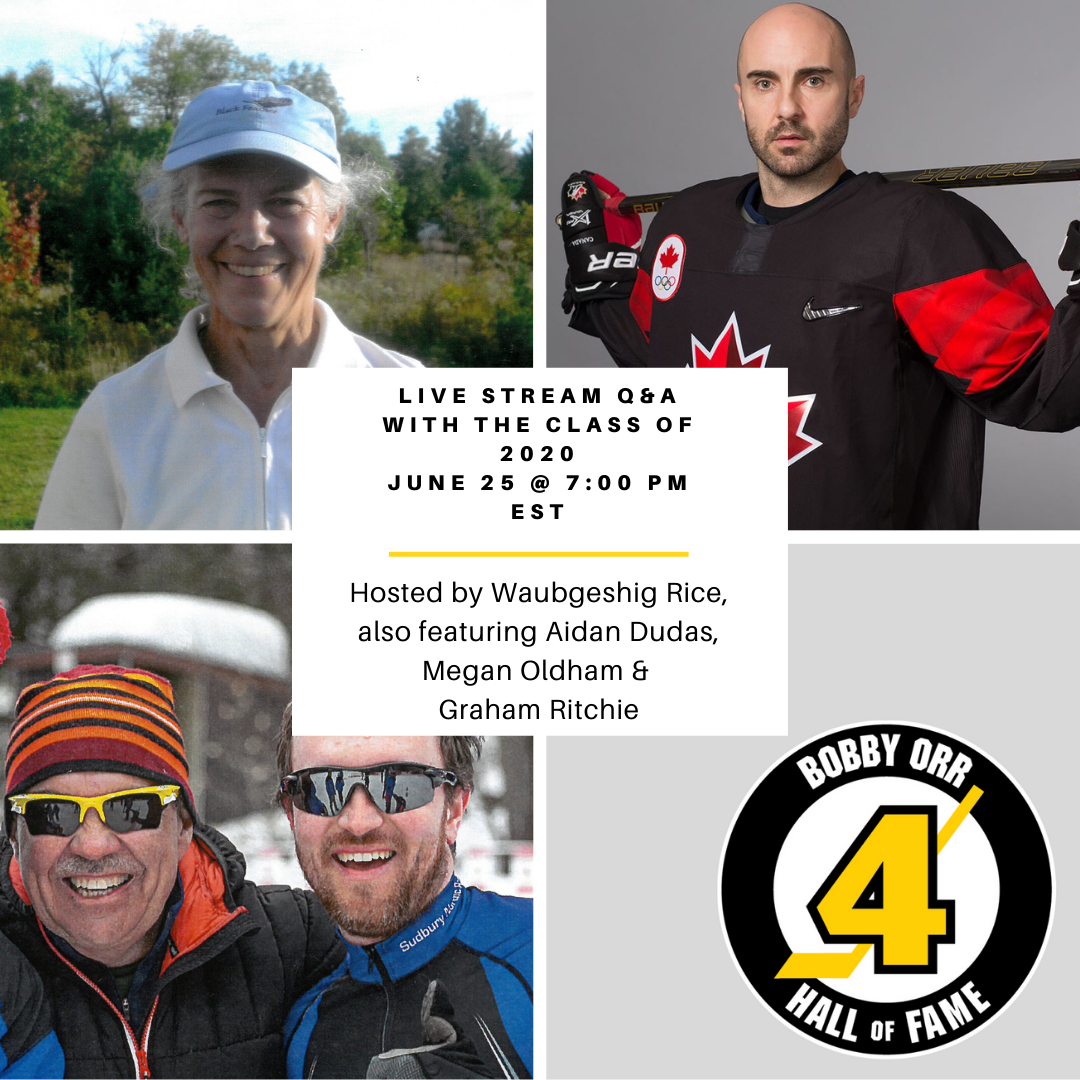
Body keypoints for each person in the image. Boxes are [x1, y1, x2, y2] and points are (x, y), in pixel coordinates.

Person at [559, 3, 1080, 529]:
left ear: (854, 95)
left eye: (813, 80)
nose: (786, 108)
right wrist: (601, 280)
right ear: (740, 100)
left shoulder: (920, 232)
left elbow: (1043, 388)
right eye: (764, 83)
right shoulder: (684, 222)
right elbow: (659, 361)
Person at [35, 80, 420, 531]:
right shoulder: (117, 414)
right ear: (181, 219)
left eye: (285, 202)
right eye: (219, 202)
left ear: (331, 219)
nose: (253, 233)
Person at [0, 664, 344, 1077]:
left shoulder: (300, 945)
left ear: (183, 826)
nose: (92, 845)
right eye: (52, 814)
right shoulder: (5, 979)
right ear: (16, 838)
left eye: (131, 809)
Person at [277, 715, 533, 1078]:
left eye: (399, 784)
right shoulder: (299, 1028)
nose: (358, 822)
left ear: (455, 809)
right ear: (291, 814)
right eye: (322, 787)